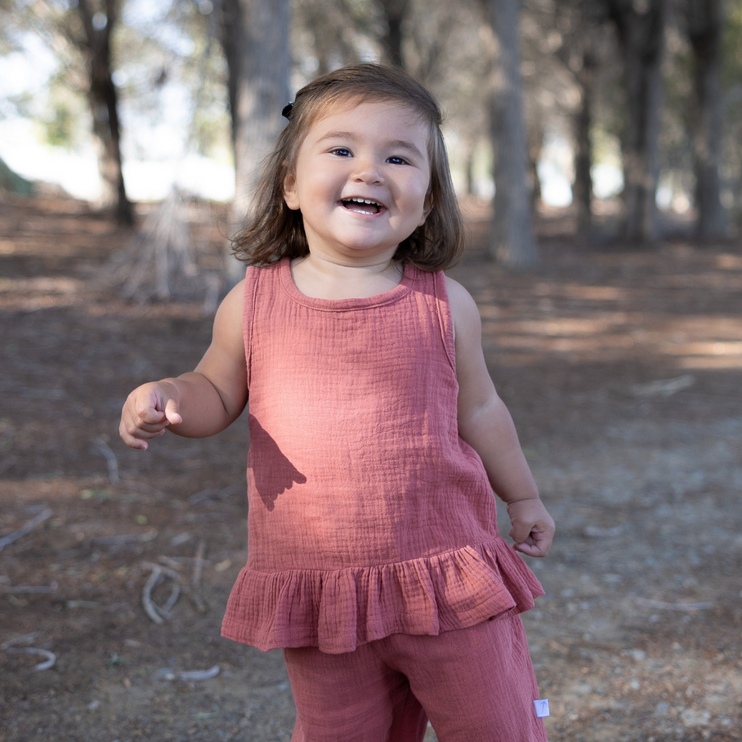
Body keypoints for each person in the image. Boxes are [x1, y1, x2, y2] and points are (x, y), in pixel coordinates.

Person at [120, 63, 555, 742]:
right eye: (343, 149)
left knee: (494, 723)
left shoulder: (444, 306)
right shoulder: (252, 303)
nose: (369, 169)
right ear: (291, 185)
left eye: (399, 156)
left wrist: (523, 497)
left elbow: (481, 411)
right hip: (321, 594)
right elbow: (214, 392)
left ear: (428, 197)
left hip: (446, 577)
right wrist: (170, 398)